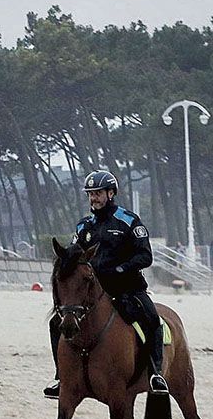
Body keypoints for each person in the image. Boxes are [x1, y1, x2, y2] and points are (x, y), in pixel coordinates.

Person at [44, 170, 168, 398]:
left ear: (111, 193)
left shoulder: (129, 221)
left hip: (128, 287)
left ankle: (155, 373)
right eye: (90, 194)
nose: (94, 198)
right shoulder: (84, 226)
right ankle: (60, 377)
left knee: (151, 318)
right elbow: (73, 254)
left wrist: (120, 268)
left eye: (98, 193)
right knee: (55, 323)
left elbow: (145, 256)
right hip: (92, 292)